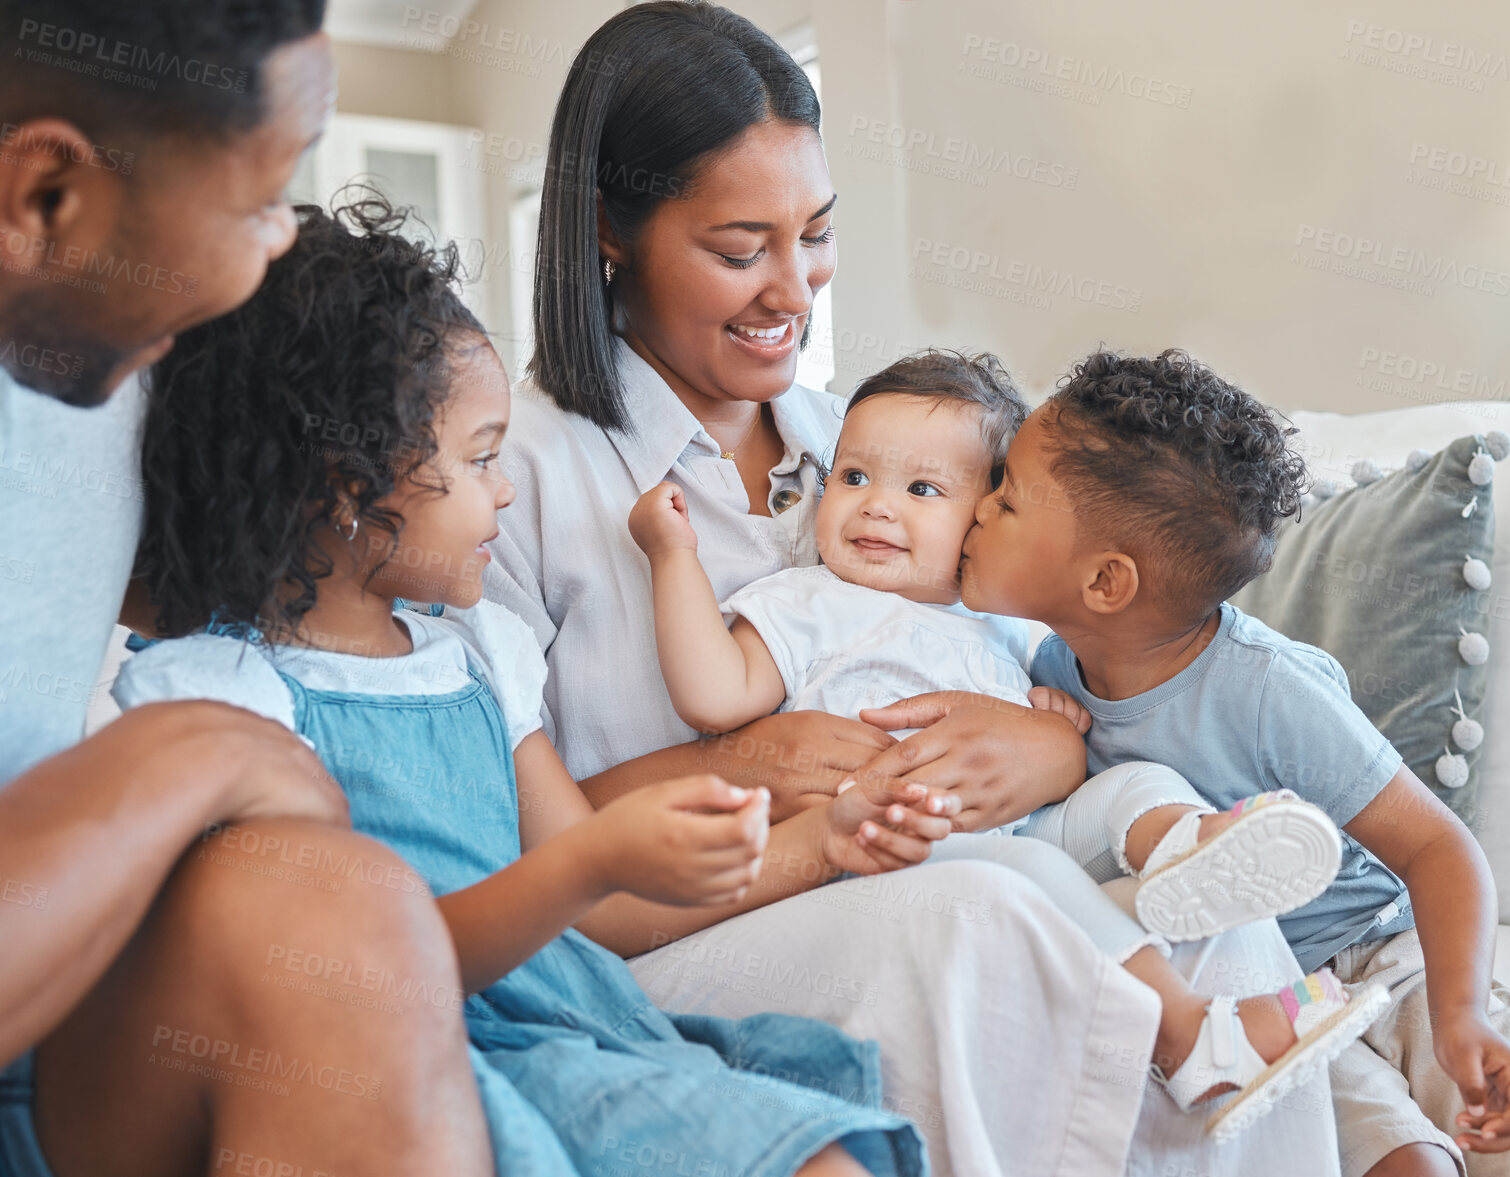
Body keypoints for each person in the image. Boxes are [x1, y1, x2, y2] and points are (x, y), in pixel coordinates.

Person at [486, 4, 1345, 1172]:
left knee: (1207, 900)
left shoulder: (866, 436)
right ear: (609, 232)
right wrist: (746, 764)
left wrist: (1044, 750)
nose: (794, 290)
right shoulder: (512, 477)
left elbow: (1014, 643)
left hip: (928, 845)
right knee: (989, 917)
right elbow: (506, 842)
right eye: (742, 250)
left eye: (818, 235)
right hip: (677, 930)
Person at [111, 196, 934, 1177]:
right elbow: (343, 975)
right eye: (481, 458)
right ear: (345, 485)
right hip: (425, 1059)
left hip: (585, 1029)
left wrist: (820, 841)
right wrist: (588, 865)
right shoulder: (232, 697)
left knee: (822, 1143)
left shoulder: (482, 659)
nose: (505, 488)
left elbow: (597, 913)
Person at [628, 347, 1390, 1136]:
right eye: (852, 478)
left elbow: (1058, 738)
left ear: (985, 512)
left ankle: (1184, 847)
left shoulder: (1006, 620)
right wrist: (671, 558)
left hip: (1015, 829)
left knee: (1129, 786)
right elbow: (713, 694)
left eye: (923, 490)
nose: (876, 508)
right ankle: (1189, 1033)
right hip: (893, 852)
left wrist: (1050, 723)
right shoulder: (807, 601)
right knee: (1025, 876)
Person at [0, 2, 494, 1174]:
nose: (277, 243)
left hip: (67, 1023)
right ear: (48, 196)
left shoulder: (110, 359)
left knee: (333, 912)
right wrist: (181, 759)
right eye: (261, 198)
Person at [957, 347, 1510, 1177]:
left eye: (1007, 497)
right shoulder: (1041, 682)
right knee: (1405, 1164)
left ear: (1105, 581)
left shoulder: (1268, 687)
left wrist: (1461, 1013)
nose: (975, 509)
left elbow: (1438, 846)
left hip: (1385, 948)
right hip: (1263, 991)